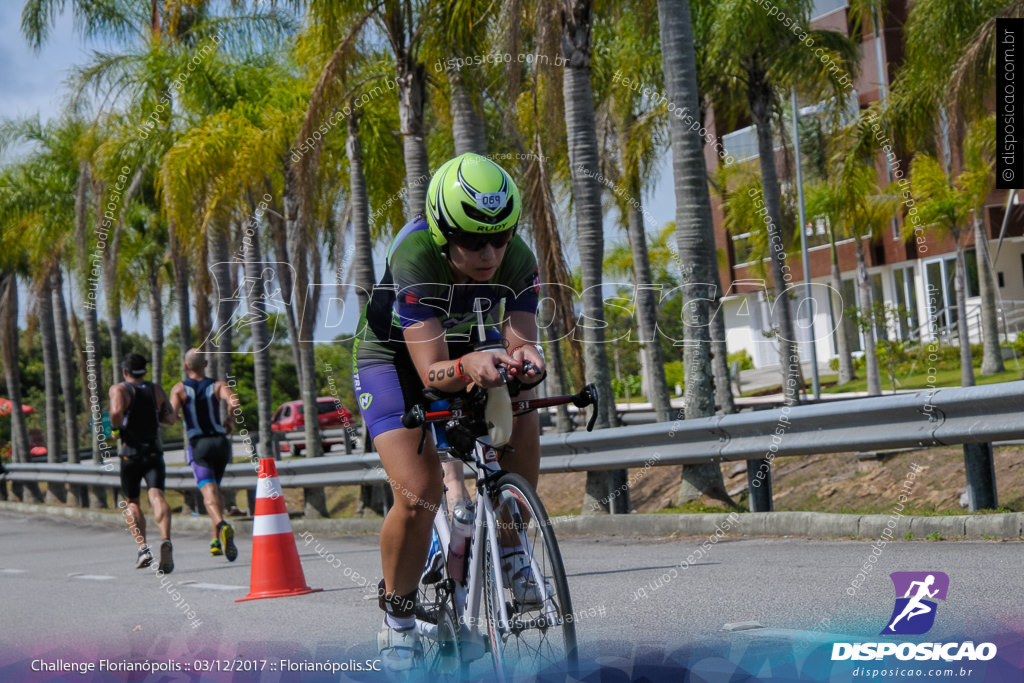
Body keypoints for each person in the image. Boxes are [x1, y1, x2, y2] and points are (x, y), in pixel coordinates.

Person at [353, 153, 547, 672]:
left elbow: (523, 339)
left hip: (467, 342)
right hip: (395, 359)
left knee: (523, 407)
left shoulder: (519, 258)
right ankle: (398, 622)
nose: (489, 253)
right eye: (473, 241)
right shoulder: (416, 254)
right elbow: (433, 372)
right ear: (443, 232)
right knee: (419, 493)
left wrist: (527, 359)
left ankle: (510, 546)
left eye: (500, 238)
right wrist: (475, 365)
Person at [169, 349, 241, 562]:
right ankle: (215, 540)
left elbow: (171, 417)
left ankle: (222, 525)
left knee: (208, 491)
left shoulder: (180, 389)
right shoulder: (218, 385)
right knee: (215, 491)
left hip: (199, 444)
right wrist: (230, 420)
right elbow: (234, 403)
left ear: (186, 366)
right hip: (220, 444)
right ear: (206, 363)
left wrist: (176, 414)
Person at [109, 353, 176, 572]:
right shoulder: (156, 390)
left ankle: (143, 548)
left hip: (130, 454)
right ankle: (165, 538)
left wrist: (116, 428)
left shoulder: (119, 390)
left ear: (125, 371)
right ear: (144, 372)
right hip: (154, 452)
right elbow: (170, 418)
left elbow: (116, 411)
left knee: (132, 502)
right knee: (156, 495)